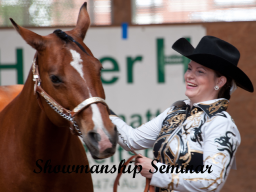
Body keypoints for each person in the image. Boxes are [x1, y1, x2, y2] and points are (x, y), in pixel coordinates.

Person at [109, 36, 254, 192]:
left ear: (220, 82)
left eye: (200, 72)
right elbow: (132, 140)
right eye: (189, 68)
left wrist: (157, 171)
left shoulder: (221, 123)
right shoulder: (175, 111)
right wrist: (97, 109)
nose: (189, 76)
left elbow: (211, 181)